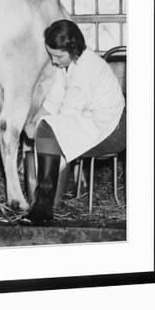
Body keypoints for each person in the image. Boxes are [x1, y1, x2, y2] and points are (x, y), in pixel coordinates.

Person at [22, 19, 125, 225]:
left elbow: (67, 115)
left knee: (48, 130)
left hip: (112, 130)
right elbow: (52, 102)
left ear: (74, 48)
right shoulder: (66, 66)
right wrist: (29, 122)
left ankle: (43, 207)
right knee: (44, 128)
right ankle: (45, 204)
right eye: (51, 55)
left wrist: (38, 128)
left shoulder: (88, 68)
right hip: (89, 123)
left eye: (58, 56)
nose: (54, 61)